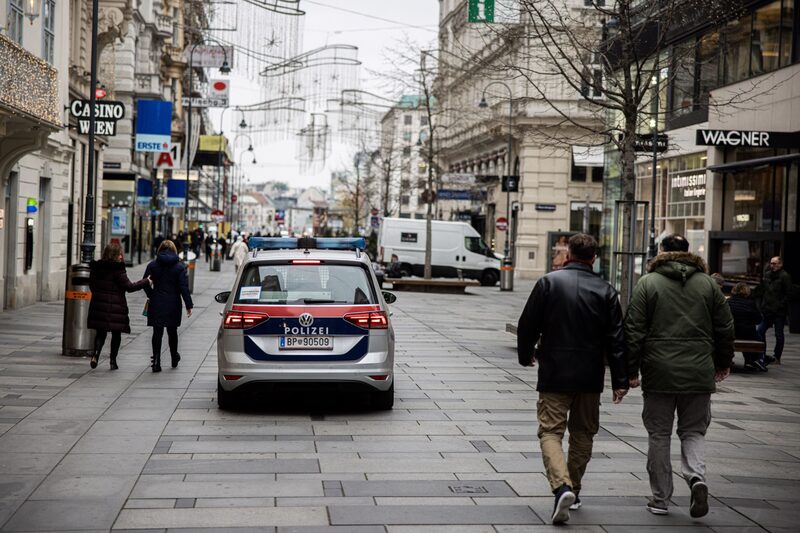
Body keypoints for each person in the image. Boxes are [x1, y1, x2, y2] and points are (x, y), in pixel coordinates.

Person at [517, 233, 628, 525]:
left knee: (551, 432)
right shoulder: (607, 290)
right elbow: (617, 339)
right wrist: (621, 379)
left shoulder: (548, 283)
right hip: (590, 375)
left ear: (568, 254)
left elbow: (527, 324)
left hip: (554, 371)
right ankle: (573, 490)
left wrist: (525, 354)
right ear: (594, 257)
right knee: (583, 433)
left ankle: (561, 486)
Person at [625, 234, 734, 518]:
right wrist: (722, 362)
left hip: (658, 371)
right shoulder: (708, 284)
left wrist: (629, 371)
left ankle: (661, 499)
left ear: (661, 252)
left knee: (659, 434)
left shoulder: (648, 283)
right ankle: (696, 478)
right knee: (694, 431)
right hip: (698, 371)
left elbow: (634, 329)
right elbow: (724, 327)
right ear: (688, 253)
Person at [87, 243, 150, 370]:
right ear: (115, 255)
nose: (122, 256)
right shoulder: (118, 269)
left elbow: (92, 285)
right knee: (116, 334)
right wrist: (146, 281)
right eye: (120, 253)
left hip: (99, 304)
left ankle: (96, 355)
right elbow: (130, 287)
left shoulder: (96, 267)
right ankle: (113, 361)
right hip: (116, 306)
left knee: (101, 333)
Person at [144, 240, 193, 372]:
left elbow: (145, 283)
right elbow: (183, 287)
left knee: (157, 332)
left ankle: (156, 362)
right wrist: (189, 305)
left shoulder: (152, 265)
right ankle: (173, 357)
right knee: (172, 332)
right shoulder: (180, 267)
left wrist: (151, 295)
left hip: (157, 301)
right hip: (173, 303)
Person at [755, 256, 792, 365]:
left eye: (774, 263)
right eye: (771, 263)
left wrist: (780, 305)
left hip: (778, 312)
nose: (772, 265)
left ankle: (777, 357)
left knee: (779, 334)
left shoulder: (785, 276)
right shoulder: (767, 275)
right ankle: (762, 354)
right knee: (760, 331)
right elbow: (763, 290)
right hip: (767, 310)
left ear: (780, 264)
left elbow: (788, 294)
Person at [728, 282, 766, 372]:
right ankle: (758, 359)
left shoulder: (728, 302)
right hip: (747, 333)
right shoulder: (750, 303)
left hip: (731, 333)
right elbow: (758, 320)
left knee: (747, 334)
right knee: (758, 337)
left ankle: (749, 361)